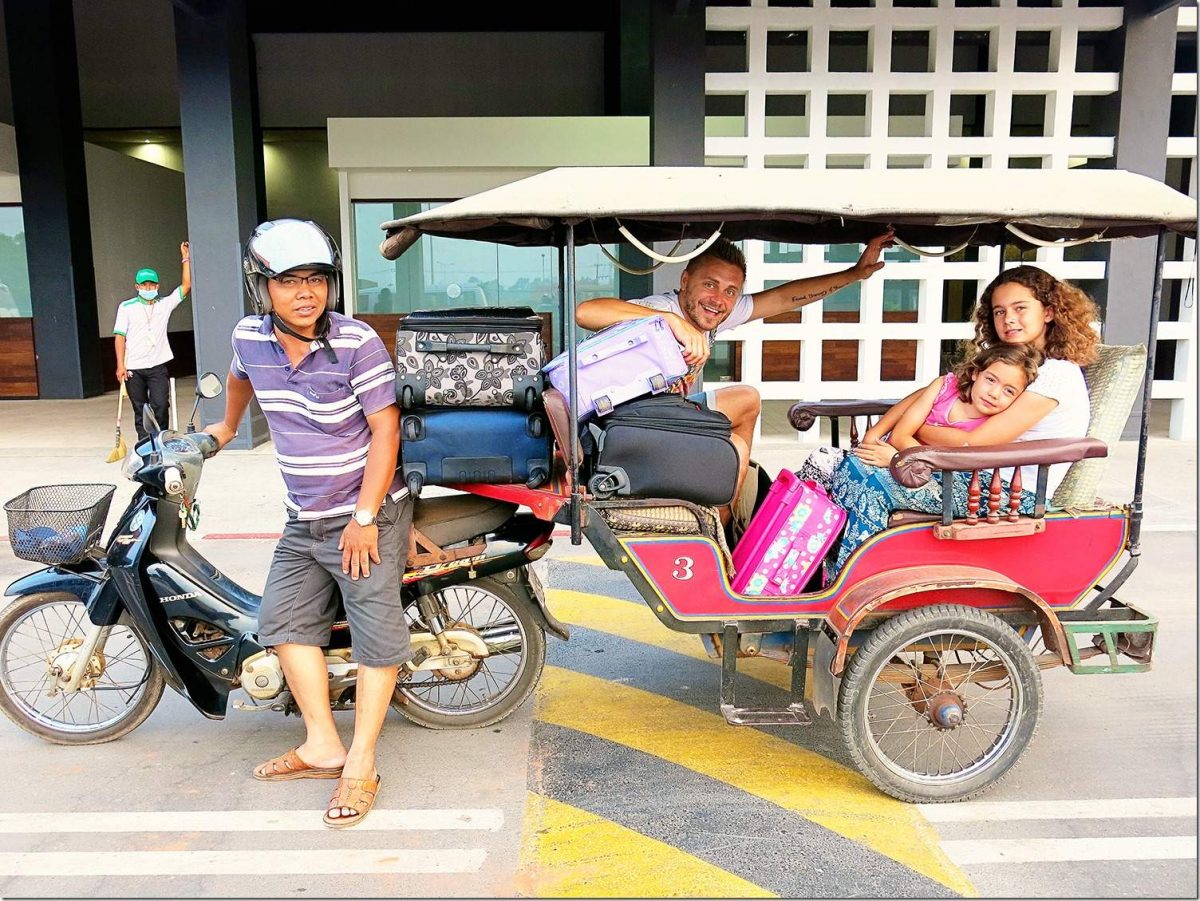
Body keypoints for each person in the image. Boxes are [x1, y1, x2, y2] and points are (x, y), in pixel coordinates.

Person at [203, 219, 411, 829]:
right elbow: (240, 377)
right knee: (284, 622)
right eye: (288, 281)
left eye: (316, 280)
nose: (305, 293)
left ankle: (361, 762)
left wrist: (366, 517)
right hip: (304, 517)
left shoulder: (357, 343)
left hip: (366, 512)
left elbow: (386, 430)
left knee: (375, 631)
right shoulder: (249, 336)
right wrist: (224, 426)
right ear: (261, 288)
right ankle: (322, 744)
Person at [576, 231, 894, 510]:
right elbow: (586, 312)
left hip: (665, 419)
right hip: (633, 426)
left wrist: (854, 274)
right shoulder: (662, 309)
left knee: (738, 448)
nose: (719, 300)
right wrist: (670, 324)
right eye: (710, 285)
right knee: (746, 399)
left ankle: (727, 519)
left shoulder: (717, 311)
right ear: (685, 281)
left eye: (730, 291)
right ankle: (725, 512)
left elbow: (784, 297)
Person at [826, 264, 1099, 574]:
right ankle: (816, 571)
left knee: (868, 482)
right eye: (999, 311)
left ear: (1049, 312)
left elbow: (975, 441)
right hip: (974, 474)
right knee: (840, 465)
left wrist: (908, 445)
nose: (1008, 319)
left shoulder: (1056, 375)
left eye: (1020, 308)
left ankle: (853, 583)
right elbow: (940, 391)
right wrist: (896, 433)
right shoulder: (1012, 365)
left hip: (1006, 492)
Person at [849, 343, 1045, 469]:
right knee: (829, 466)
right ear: (976, 373)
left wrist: (899, 459)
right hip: (891, 451)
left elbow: (960, 466)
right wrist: (874, 439)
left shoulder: (996, 425)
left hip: (922, 471)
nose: (994, 394)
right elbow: (900, 434)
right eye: (991, 380)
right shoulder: (945, 387)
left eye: (1009, 391)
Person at [113, 242, 191, 441]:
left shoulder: (164, 304)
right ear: (137, 286)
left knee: (160, 405)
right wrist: (120, 365)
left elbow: (186, 286)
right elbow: (120, 336)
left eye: (152, 284)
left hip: (157, 365)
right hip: (133, 368)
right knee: (140, 409)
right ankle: (145, 444)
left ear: (157, 286)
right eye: (144, 284)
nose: (148, 288)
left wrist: (185, 258)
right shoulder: (126, 307)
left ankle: (161, 439)